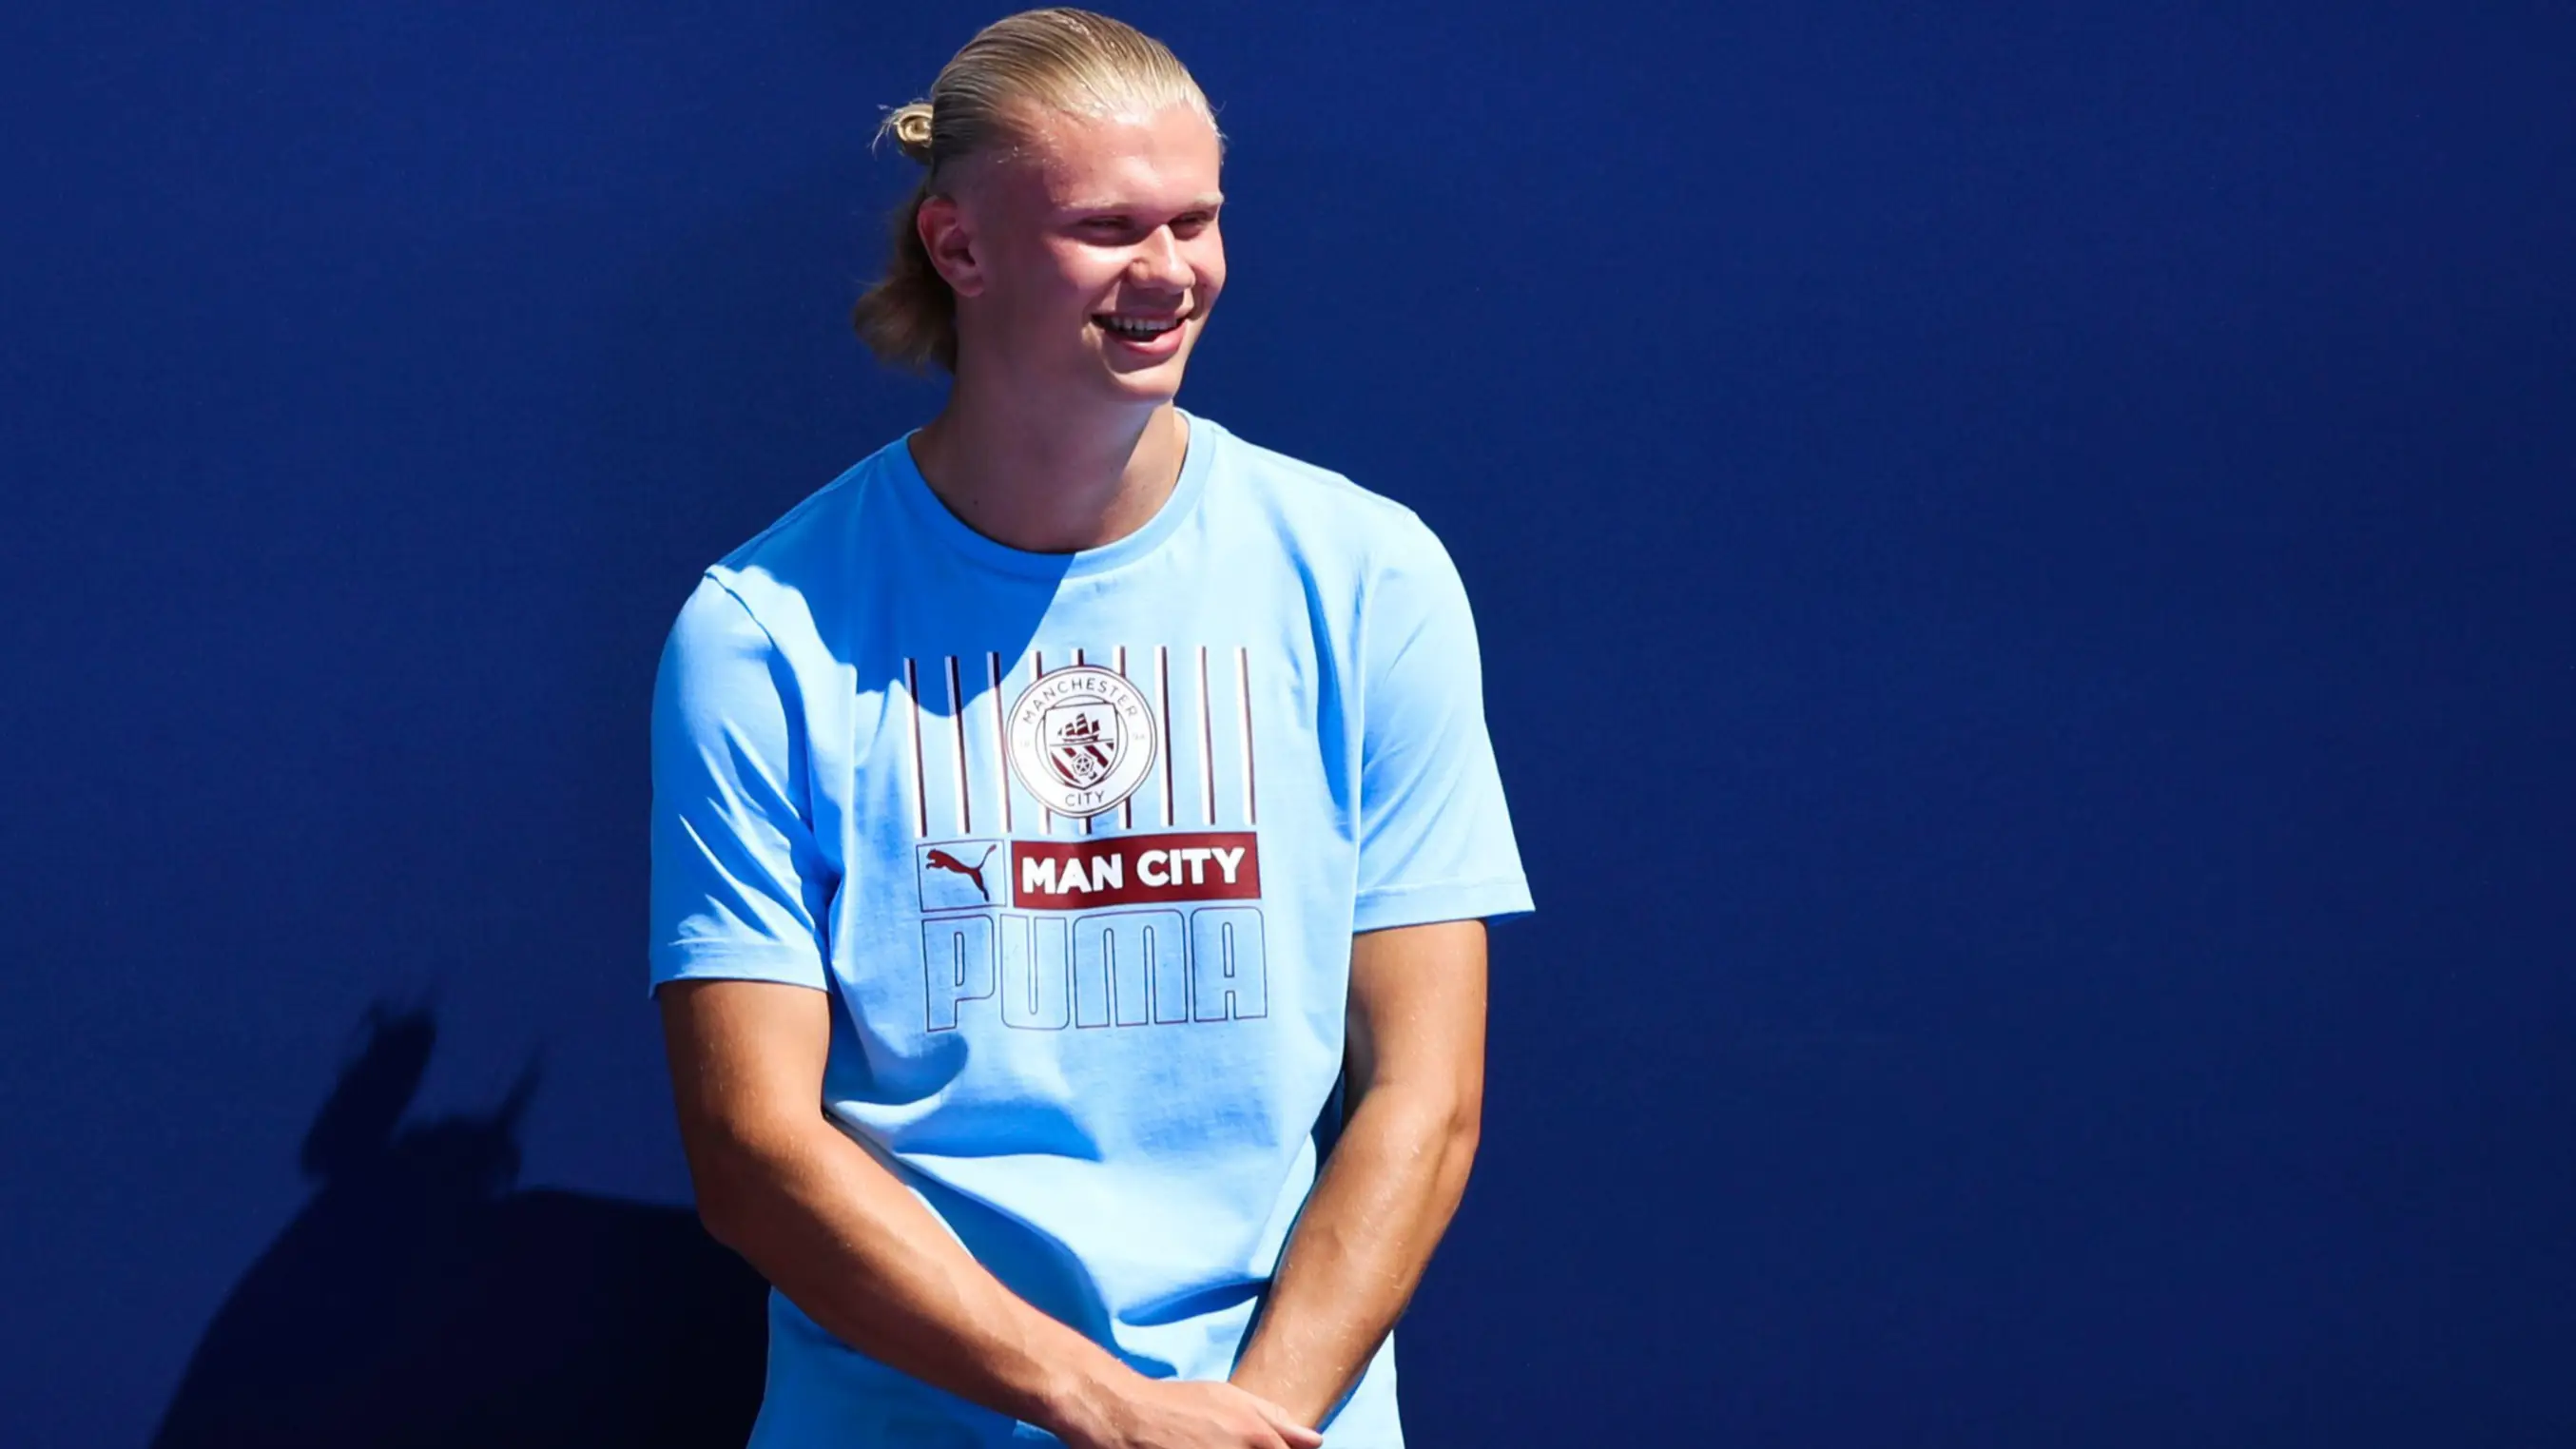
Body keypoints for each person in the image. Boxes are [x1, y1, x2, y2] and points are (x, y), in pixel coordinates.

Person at [647, 10, 1531, 1447]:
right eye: (1109, 226)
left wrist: (1248, 1425)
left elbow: (1424, 1095)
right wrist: (1107, 1412)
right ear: (960, 247)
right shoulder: (762, 630)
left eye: (1197, 220)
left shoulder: (1371, 577)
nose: (1169, 273)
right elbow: (753, 1152)